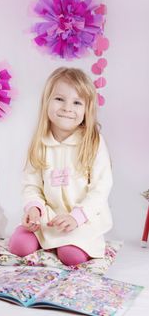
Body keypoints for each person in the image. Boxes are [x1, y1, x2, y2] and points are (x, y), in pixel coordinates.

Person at [9, 67, 113, 266]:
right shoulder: (40, 141)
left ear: (86, 109)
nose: (67, 107)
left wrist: (77, 216)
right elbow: (31, 185)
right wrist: (34, 209)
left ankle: (69, 242)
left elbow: (101, 188)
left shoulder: (93, 142)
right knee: (19, 246)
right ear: (47, 101)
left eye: (76, 102)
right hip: (47, 217)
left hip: (81, 218)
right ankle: (45, 239)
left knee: (71, 257)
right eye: (59, 99)